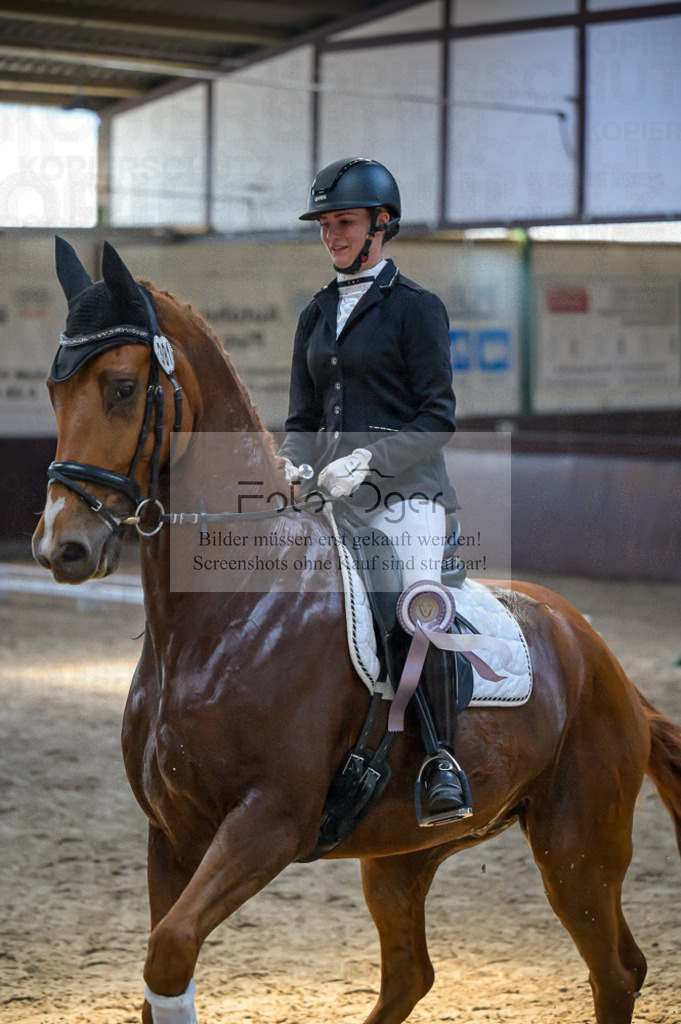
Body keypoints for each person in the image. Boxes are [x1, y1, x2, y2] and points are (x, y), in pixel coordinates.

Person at [279, 156, 472, 823]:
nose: (331, 236)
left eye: (344, 223)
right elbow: (301, 419)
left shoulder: (416, 309)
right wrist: (294, 463)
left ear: (380, 224)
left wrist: (368, 460)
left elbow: (436, 418)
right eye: (324, 225)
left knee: (409, 609)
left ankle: (441, 759)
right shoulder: (315, 312)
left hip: (406, 497)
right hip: (329, 496)